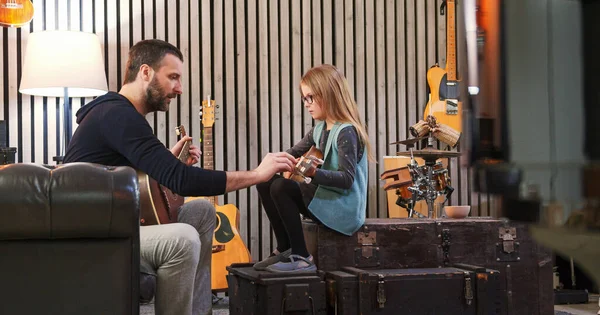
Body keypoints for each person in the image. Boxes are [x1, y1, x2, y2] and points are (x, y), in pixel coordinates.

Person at [63, 39, 295, 315]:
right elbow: (182, 180)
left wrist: (168, 161)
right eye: (173, 77)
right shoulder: (117, 115)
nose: (179, 88)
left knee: (201, 211)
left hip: (113, 222)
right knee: (182, 238)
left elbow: (126, 178)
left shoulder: (119, 114)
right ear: (146, 72)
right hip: (92, 235)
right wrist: (257, 174)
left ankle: (199, 311)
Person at [254, 64, 374, 273]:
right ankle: (286, 247)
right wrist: (270, 163)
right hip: (325, 197)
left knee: (281, 187)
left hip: (343, 208)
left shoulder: (346, 131)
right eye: (304, 98)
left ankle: (302, 256)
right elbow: (292, 152)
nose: (307, 104)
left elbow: (346, 180)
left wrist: (313, 173)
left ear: (328, 94)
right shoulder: (319, 129)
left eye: (311, 97)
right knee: (266, 182)